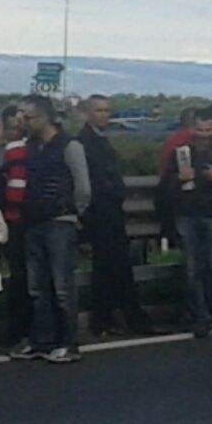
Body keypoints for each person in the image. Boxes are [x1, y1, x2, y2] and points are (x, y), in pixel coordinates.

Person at [17, 96, 91, 364]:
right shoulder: (31, 146)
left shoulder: (69, 145)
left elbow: (83, 187)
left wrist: (73, 212)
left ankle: (69, 342)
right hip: (34, 220)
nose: (22, 122)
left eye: (27, 116)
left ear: (43, 117)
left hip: (60, 220)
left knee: (62, 285)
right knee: (38, 286)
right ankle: (42, 339)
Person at [76, 95, 153, 337]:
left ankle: (109, 319)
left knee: (111, 267)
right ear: (88, 113)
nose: (104, 115)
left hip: (108, 213)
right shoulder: (86, 143)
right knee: (112, 266)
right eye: (99, 110)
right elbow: (93, 180)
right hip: (101, 213)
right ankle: (121, 318)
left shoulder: (98, 140)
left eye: (107, 110)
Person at [165, 107, 212, 340]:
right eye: (200, 130)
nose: (205, 134)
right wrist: (178, 179)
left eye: (208, 129)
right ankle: (201, 318)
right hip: (188, 213)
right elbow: (165, 186)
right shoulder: (181, 153)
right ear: (192, 129)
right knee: (192, 269)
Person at [0, 106, 33, 351]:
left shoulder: (13, 152)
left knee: (20, 276)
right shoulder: (24, 150)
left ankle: (18, 329)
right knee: (24, 276)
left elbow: (15, 192)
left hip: (16, 219)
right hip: (23, 221)